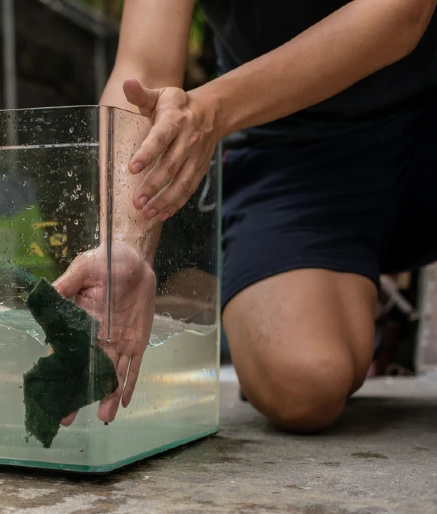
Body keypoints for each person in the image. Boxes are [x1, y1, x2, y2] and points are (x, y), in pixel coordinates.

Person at [51, 0, 437, 433]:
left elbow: (402, 13)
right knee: (302, 383)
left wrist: (215, 108)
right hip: (293, 147)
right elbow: (143, 71)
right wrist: (124, 244)